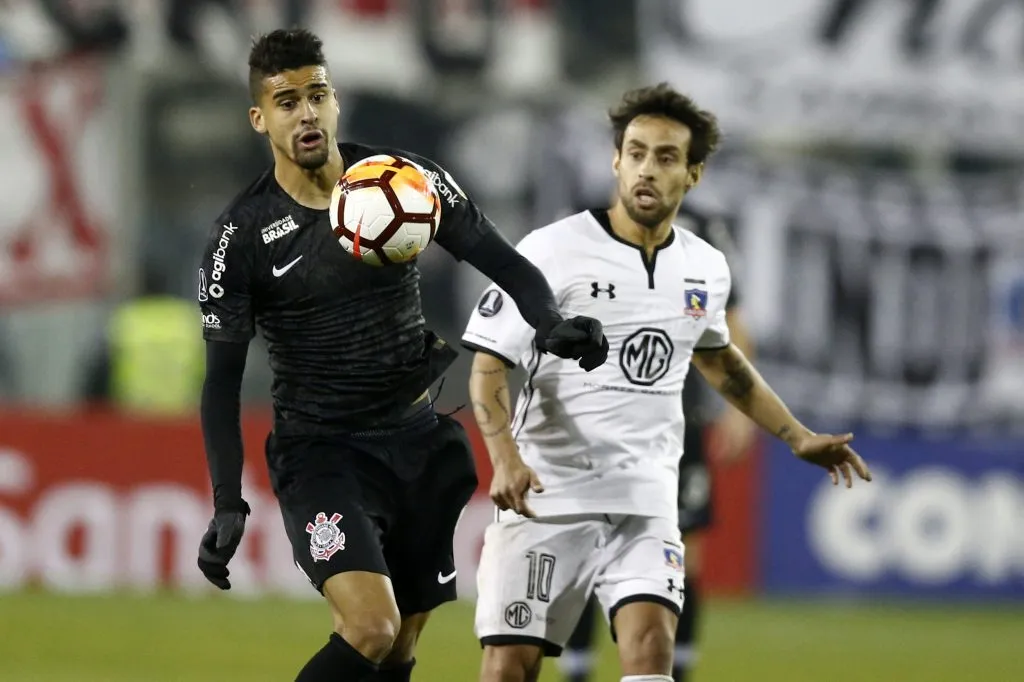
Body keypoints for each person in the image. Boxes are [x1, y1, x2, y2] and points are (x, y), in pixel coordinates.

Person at [194, 28, 609, 682]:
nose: (305, 113)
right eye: (286, 101)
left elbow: (504, 260)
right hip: (323, 453)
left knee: (399, 648)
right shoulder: (240, 237)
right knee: (370, 627)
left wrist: (549, 323)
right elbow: (220, 384)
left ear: (335, 102)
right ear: (259, 118)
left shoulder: (404, 182)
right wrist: (226, 499)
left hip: (418, 443)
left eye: (317, 95)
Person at [461, 83, 871, 682]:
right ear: (616, 161)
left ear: (694, 174)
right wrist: (504, 458)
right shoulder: (552, 252)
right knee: (508, 669)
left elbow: (722, 363)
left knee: (651, 650)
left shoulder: (705, 266)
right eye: (636, 152)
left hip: (647, 503)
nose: (647, 169)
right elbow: (488, 363)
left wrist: (796, 435)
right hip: (550, 497)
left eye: (666, 156)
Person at [559, 205, 756, 682]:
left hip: (678, 418)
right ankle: (577, 674)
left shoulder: (705, 228)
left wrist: (739, 408)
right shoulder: (584, 224)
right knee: (587, 546)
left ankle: (674, 674)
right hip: (601, 416)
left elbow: (731, 321)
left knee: (684, 552)